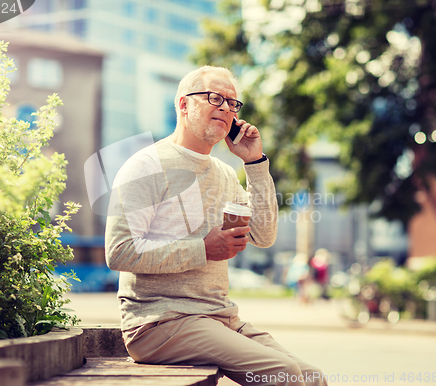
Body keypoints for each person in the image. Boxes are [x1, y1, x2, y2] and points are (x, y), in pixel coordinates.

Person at [105, 65, 328, 386]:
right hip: (160, 322)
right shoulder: (146, 166)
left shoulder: (224, 173)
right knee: (285, 376)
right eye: (214, 98)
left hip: (219, 317)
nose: (226, 108)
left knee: (313, 378)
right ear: (183, 105)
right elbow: (119, 253)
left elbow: (263, 236)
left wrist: (254, 163)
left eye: (233, 103)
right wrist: (202, 249)